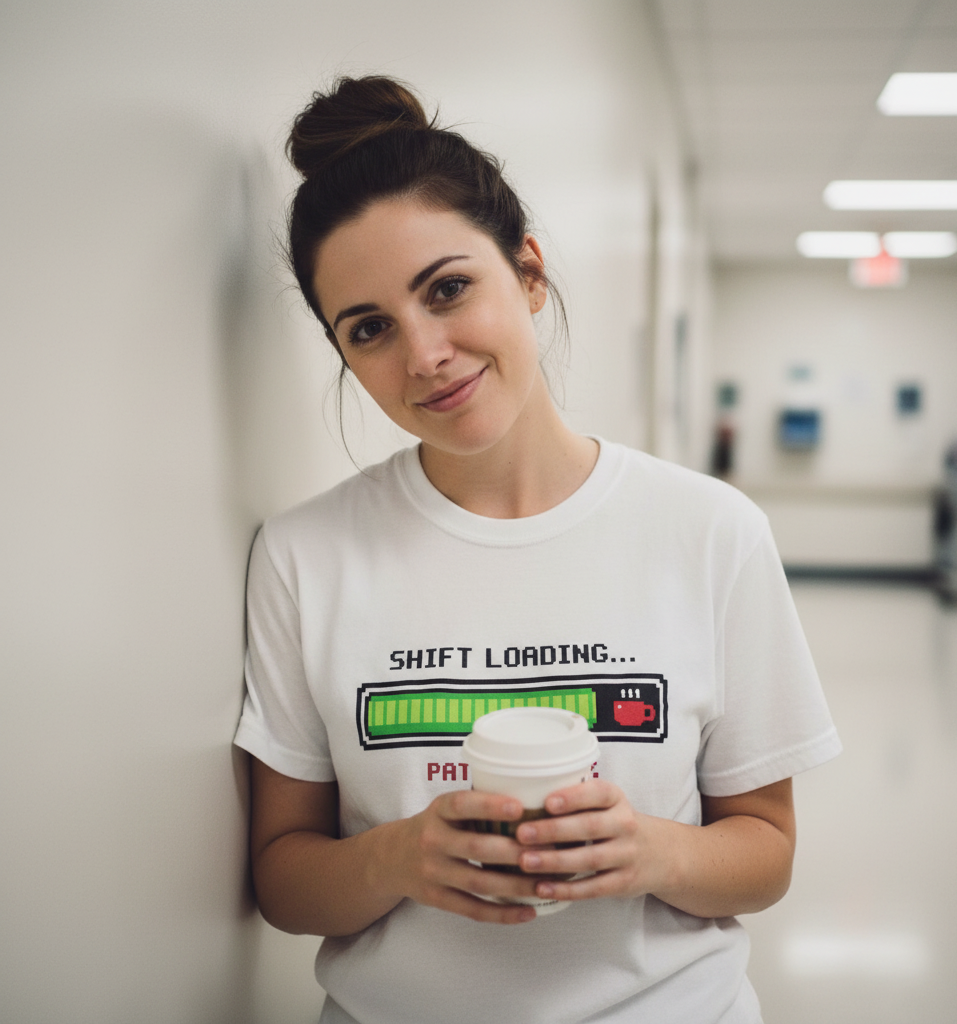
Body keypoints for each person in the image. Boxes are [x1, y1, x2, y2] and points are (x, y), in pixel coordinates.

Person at [234, 75, 841, 1024]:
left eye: (448, 289)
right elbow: (283, 879)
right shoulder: (305, 555)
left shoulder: (710, 531)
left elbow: (764, 853)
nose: (425, 353)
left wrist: (652, 852)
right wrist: (399, 857)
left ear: (528, 271)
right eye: (370, 328)